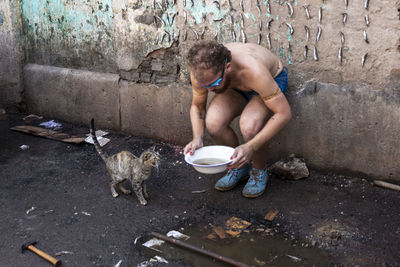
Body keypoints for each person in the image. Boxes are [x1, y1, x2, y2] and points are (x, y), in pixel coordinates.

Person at [183, 41, 292, 198]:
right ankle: (237, 166)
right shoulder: (200, 72)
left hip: (270, 81)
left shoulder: (253, 70)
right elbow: (198, 107)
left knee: (249, 126)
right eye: (204, 85)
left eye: (213, 84)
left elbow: (284, 113)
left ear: (227, 67)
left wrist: (250, 147)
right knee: (213, 122)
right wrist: (197, 138)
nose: (209, 90)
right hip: (234, 86)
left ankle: (259, 171)